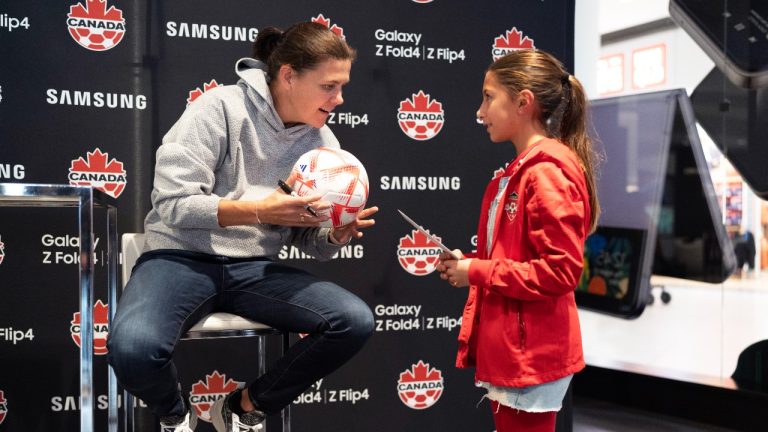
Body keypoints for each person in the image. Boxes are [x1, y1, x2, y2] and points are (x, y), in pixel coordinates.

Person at [107, 22, 377, 432]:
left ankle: (244, 406)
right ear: (288, 75)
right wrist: (258, 211)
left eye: (341, 87)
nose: (339, 99)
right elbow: (172, 203)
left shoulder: (324, 144)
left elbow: (308, 237)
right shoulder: (219, 108)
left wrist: (333, 234)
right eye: (329, 86)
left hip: (255, 270)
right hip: (179, 258)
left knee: (353, 320)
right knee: (133, 348)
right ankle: (176, 416)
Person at [437, 49, 600, 432]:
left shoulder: (546, 173)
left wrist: (476, 269)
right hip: (515, 350)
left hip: (532, 355)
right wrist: (470, 267)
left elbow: (559, 272)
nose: (480, 111)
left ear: (524, 102)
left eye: (489, 97)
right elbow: (518, 257)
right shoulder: (520, 173)